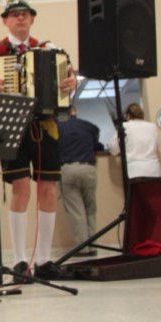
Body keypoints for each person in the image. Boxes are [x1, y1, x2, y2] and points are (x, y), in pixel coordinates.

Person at [0, 0, 77, 282]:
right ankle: (18, 260)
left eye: (24, 14)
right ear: (5, 20)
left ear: (32, 18)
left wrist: (71, 85)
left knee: (48, 189)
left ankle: (44, 259)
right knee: (20, 189)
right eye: (14, 14)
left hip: (45, 125)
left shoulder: (49, 48)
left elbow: (66, 85)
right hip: (12, 125)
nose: (20, 18)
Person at [58, 106, 103, 256]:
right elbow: (98, 146)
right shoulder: (90, 126)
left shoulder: (57, 127)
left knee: (76, 211)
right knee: (91, 209)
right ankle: (93, 246)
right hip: (89, 169)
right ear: (74, 111)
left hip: (67, 170)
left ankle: (82, 248)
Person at [109, 103, 161, 178]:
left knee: (138, 189)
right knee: (155, 189)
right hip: (153, 169)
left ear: (128, 115)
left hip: (135, 170)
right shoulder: (152, 127)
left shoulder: (124, 127)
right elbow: (157, 145)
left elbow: (114, 149)